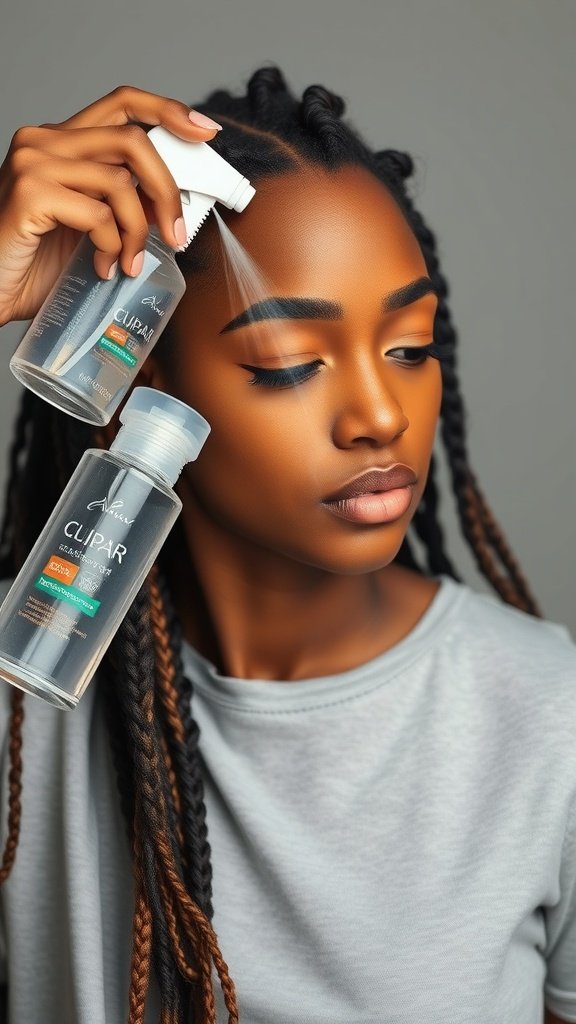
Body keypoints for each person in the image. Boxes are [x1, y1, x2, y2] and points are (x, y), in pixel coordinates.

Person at [0, 66, 573, 1024]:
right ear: (132, 384)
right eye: (289, 364)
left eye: (411, 348)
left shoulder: (550, 721)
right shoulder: (25, 688)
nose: (381, 415)